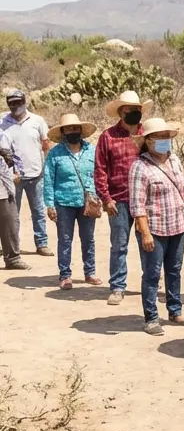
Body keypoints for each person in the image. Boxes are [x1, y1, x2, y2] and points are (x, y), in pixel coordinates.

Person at [129, 118, 184, 336]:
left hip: (177, 226)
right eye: (159, 137)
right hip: (155, 229)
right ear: (148, 141)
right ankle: (151, 318)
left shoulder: (174, 160)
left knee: (174, 270)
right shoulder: (140, 167)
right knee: (152, 274)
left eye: (166, 136)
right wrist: (145, 233)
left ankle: (175, 311)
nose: (164, 140)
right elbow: (137, 205)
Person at [94, 90, 151, 306]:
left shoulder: (149, 134)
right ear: (121, 112)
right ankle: (118, 287)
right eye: (130, 110)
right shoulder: (108, 136)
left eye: (137, 109)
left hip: (146, 200)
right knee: (119, 245)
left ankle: (151, 282)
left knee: (149, 243)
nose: (135, 112)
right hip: (119, 199)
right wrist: (106, 198)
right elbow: (100, 169)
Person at [43, 113, 102, 290]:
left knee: (88, 238)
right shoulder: (55, 153)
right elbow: (48, 179)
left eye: (76, 128)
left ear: (81, 130)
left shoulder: (91, 150)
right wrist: (50, 204)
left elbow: (99, 173)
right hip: (63, 202)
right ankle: (65, 275)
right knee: (65, 239)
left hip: (88, 202)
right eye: (69, 129)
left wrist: (100, 196)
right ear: (63, 132)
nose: (73, 131)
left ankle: (90, 272)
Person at [1, 90, 52, 257]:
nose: (15, 106)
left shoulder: (37, 121)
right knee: (11, 214)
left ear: (24, 102)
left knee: (38, 211)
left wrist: (43, 165)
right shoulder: (2, 122)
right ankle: (11, 247)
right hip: (11, 177)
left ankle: (42, 243)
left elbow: (45, 144)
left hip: (35, 174)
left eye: (18, 102)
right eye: (11, 103)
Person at [0, 131, 28, 270]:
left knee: (10, 224)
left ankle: (12, 259)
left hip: (4, 189)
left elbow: (11, 157)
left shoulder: (2, 135)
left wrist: (14, 174)